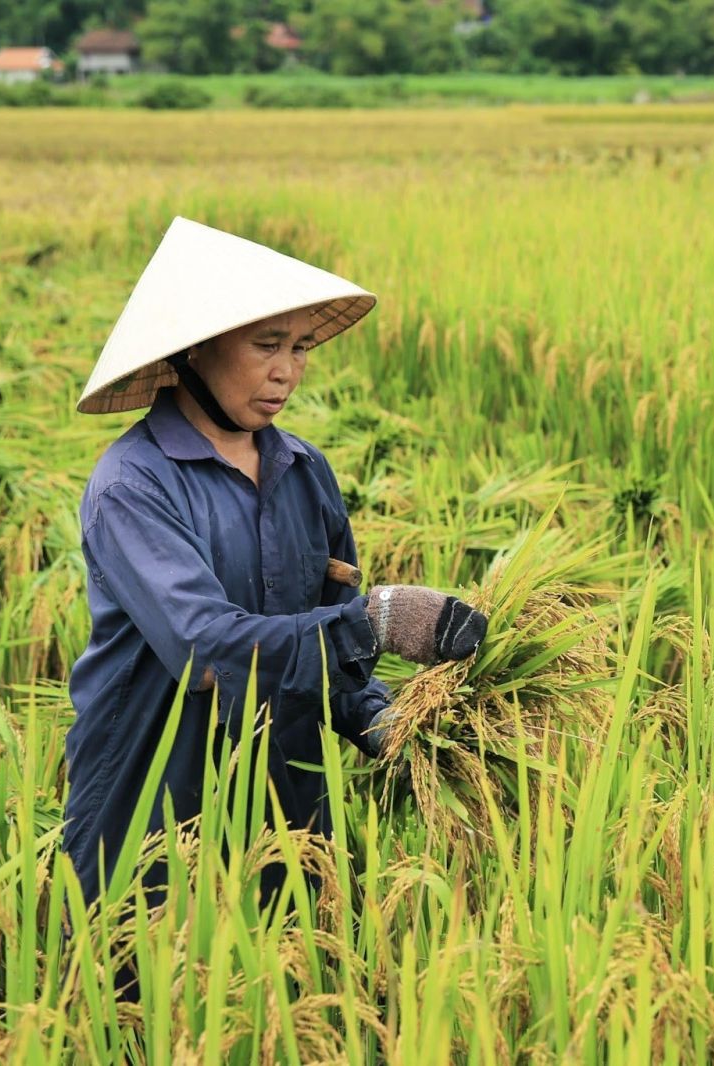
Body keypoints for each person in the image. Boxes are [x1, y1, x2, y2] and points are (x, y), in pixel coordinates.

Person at [64, 216, 488, 914]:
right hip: (154, 812)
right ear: (196, 347)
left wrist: (389, 721)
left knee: (292, 975)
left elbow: (329, 652)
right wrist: (378, 622)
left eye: (300, 347)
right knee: (150, 981)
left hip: (287, 813)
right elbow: (205, 651)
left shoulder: (304, 470)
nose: (286, 370)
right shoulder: (133, 486)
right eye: (266, 345)